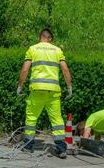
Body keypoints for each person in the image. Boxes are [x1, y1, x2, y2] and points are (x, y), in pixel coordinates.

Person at [17, 28, 72, 159]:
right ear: (50, 39)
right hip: (53, 92)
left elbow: (25, 70)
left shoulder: (33, 49)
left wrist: (20, 86)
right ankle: (60, 148)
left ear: (39, 37)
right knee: (57, 120)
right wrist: (69, 86)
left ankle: (28, 146)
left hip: (36, 90)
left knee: (31, 118)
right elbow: (65, 69)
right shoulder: (57, 50)